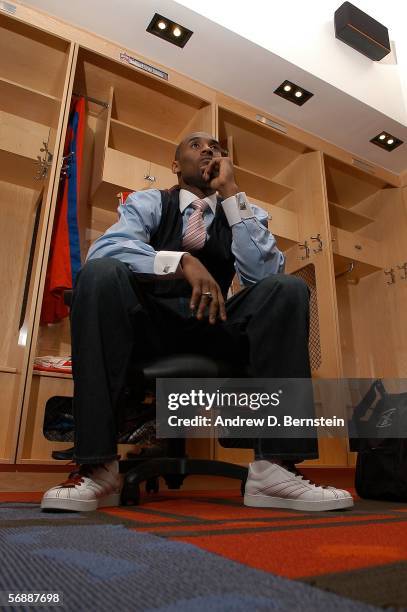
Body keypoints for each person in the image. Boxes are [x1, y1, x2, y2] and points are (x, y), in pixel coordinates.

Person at [41, 132, 353, 513]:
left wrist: (233, 195)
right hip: (151, 329)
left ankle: (275, 469)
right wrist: (181, 261)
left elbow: (265, 275)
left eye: (217, 148)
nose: (209, 150)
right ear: (176, 165)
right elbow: (106, 248)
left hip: (212, 325)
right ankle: (98, 469)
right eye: (196, 145)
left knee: (287, 289)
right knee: (99, 272)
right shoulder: (151, 201)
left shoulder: (240, 211)